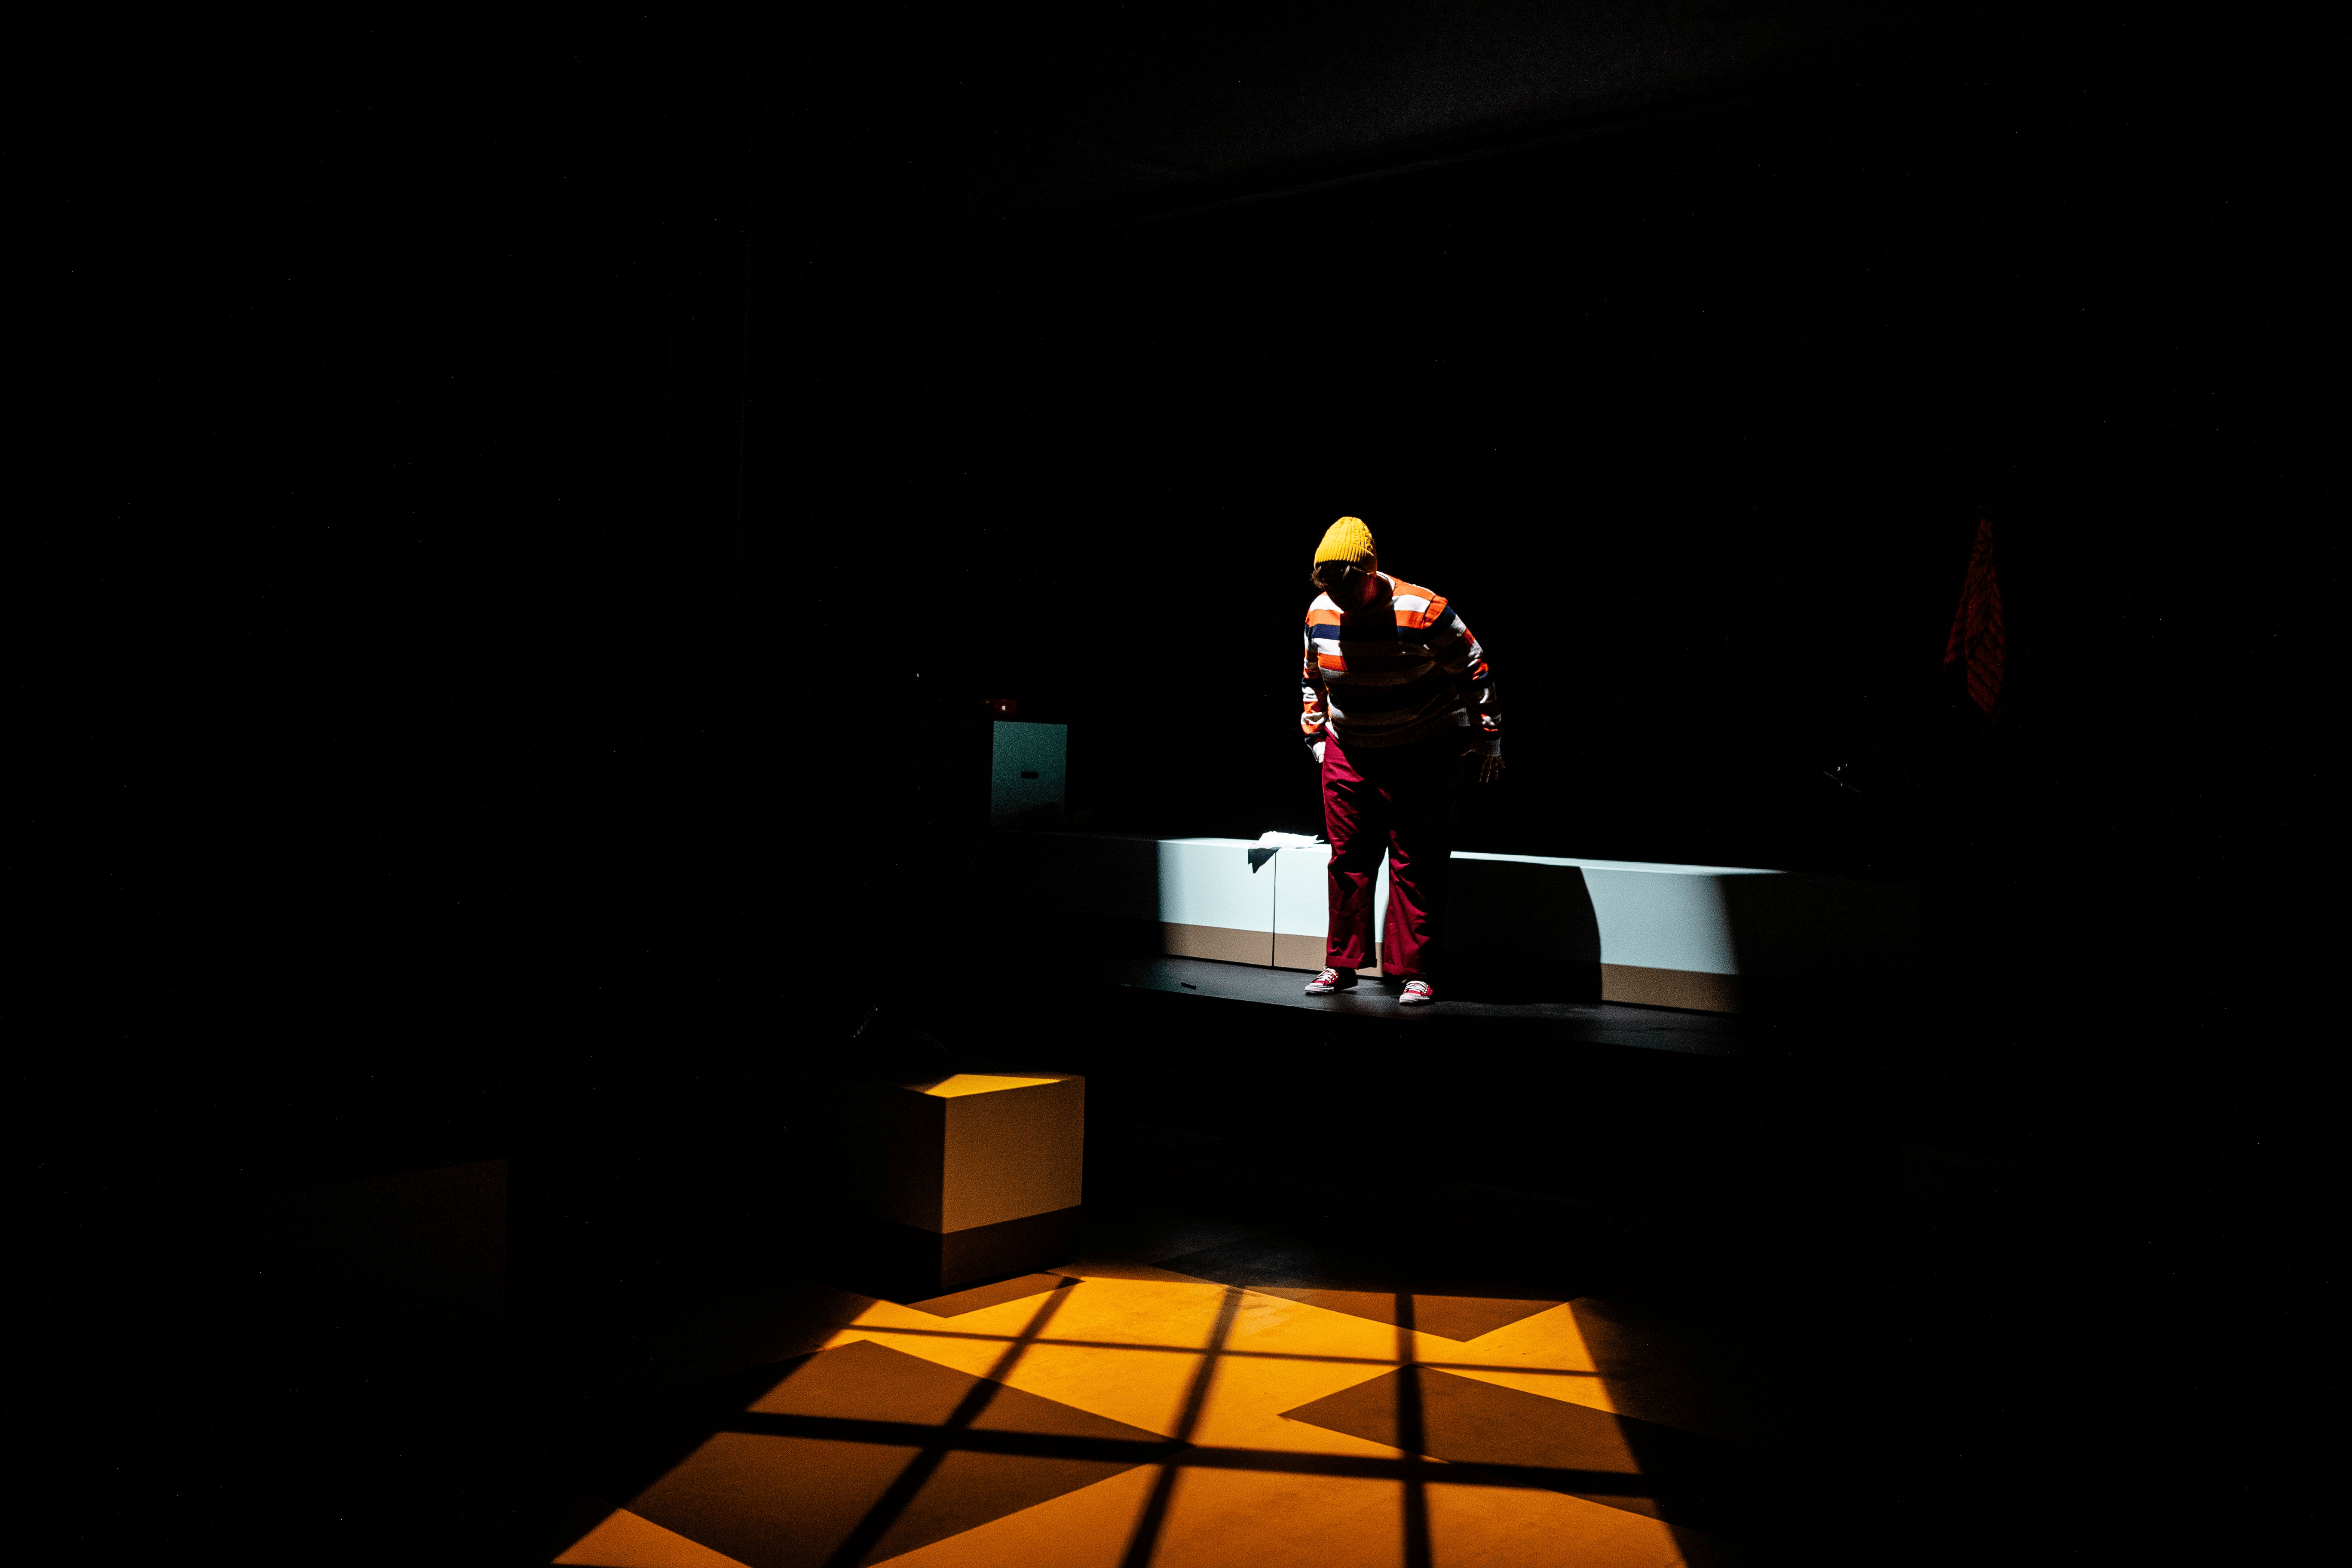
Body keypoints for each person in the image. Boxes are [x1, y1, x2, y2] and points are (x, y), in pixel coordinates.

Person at [1299, 517, 1502, 1004]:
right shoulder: (1319, 609)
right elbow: (1312, 677)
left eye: (1348, 585)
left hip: (1424, 749)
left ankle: (1415, 971)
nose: (1339, 596)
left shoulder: (1423, 609)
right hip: (1349, 749)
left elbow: (1475, 670)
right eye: (1330, 586)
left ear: (1372, 572)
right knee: (1348, 859)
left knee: (1416, 861)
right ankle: (1340, 965)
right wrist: (1316, 737)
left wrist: (1488, 737)